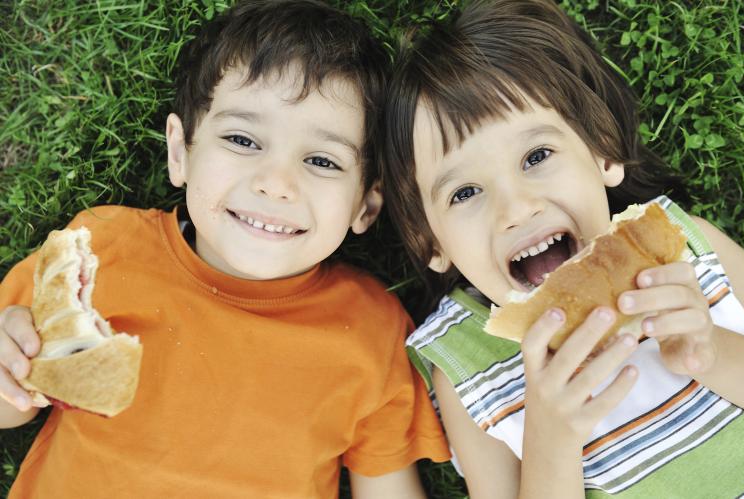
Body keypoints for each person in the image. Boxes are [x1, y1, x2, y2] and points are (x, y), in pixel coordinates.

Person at [0, 1, 450, 497]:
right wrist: (11, 365)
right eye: (242, 139)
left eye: (322, 161)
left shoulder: (373, 331)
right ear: (180, 152)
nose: (277, 183)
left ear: (366, 205)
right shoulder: (100, 250)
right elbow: (12, 403)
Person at [381, 0, 744, 497]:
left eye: (536, 156)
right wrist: (552, 442)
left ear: (602, 153)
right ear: (431, 242)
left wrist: (711, 352)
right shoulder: (470, 369)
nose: (516, 208)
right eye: (465, 193)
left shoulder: (689, 247)